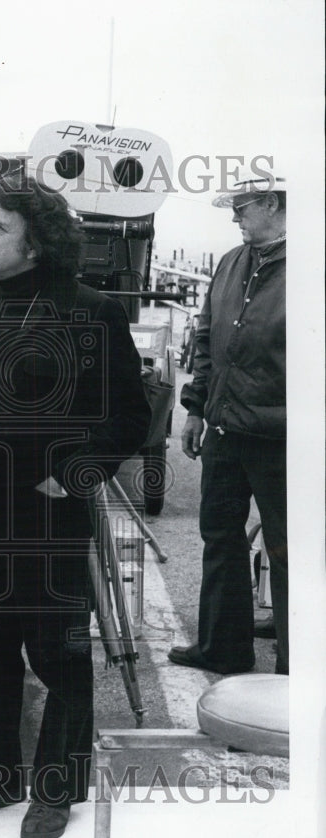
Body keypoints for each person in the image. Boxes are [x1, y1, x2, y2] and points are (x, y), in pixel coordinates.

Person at [0, 175, 150, 838]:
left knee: (58, 656)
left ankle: (54, 789)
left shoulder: (91, 311)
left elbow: (128, 417)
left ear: (37, 244)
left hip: (49, 512)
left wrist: (75, 473)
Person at [169, 174, 287, 676]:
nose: (234, 216)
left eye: (242, 207)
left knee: (288, 551)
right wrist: (195, 407)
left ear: (274, 203)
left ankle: (297, 668)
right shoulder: (231, 262)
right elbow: (204, 335)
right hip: (224, 430)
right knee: (220, 536)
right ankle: (223, 645)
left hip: (284, 440)